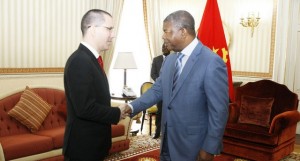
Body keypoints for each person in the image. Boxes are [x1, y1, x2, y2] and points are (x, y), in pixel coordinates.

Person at [123, 10, 229, 161]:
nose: (163, 36)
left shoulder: (211, 62)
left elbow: (219, 111)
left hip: (193, 145)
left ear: (183, 32)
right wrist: (132, 107)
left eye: (166, 31)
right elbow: (157, 90)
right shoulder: (170, 60)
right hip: (167, 140)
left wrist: (209, 148)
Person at [63, 9, 126, 161]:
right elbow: (85, 108)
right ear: (92, 29)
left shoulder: (91, 59)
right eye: (109, 29)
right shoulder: (80, 61)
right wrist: (117, 113)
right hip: (83, 148)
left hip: (94, 145)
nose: (113, 34)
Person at [150, 43, 170, 139]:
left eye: (166, 46)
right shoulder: (156, 59)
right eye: (163, 46)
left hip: (171, 90)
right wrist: (159, 81)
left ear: (170, 48)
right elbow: (152, 74)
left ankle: (168, 133)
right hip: (160, 90)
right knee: (160, 112)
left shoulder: (174, 59)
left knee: (170, 112)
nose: (164, 48)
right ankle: (157, 132)